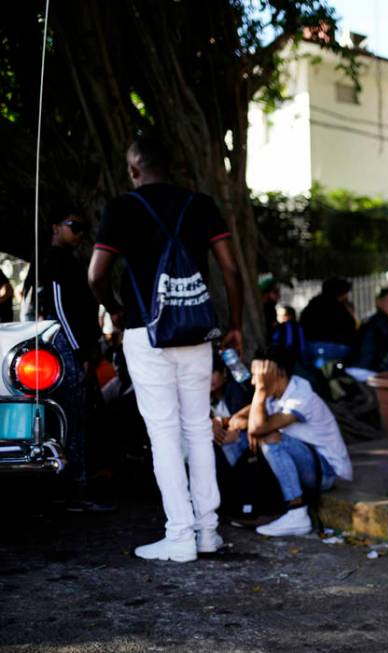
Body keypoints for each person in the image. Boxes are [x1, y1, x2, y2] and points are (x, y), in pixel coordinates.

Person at [88, 135, 244, 562]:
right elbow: (230, 270)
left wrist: (115, 310)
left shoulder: (122, 208)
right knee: (197, 428)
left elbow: (95, 275)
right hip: (195, 333)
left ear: (135, 169)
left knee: (164, 434)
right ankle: (208, 531)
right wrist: (234, 326)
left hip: (146, 331)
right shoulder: (200, 204)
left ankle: (180, 535)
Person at [222, 346, 352, 537]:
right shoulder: (274, 394)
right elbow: (237, 419)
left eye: (257, 377)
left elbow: (259, 428)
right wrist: (249, 425)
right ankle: (253, 504)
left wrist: (261, 391)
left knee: (269, 437)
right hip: (304, 464)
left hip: (327, 471)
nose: (252, 382)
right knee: (232, 438)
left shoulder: (301, 395)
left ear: (278, 374)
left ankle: (297, 512)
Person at [35, 207, 106, 510]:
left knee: (80, 419)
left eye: (83, 228)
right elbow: (59, 311)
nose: (79, 233)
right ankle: (71, 491)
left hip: (79, 349)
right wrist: (78, 351)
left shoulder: (71, 261)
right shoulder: (53, 261)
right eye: (73, 226)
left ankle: (78, 488)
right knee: (70, 421)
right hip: (67, 351)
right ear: (55, 227)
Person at [300, 277, 358, 361]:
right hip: (334, 347)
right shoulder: (338, 307)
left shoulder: (313, 305)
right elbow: (350, 327)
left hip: (310, 346)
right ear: (340, 293)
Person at [259, 276, 280, 344]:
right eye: (275, 292)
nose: (279, 296)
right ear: (266, 293)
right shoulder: (269, 308)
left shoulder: (271, 307)